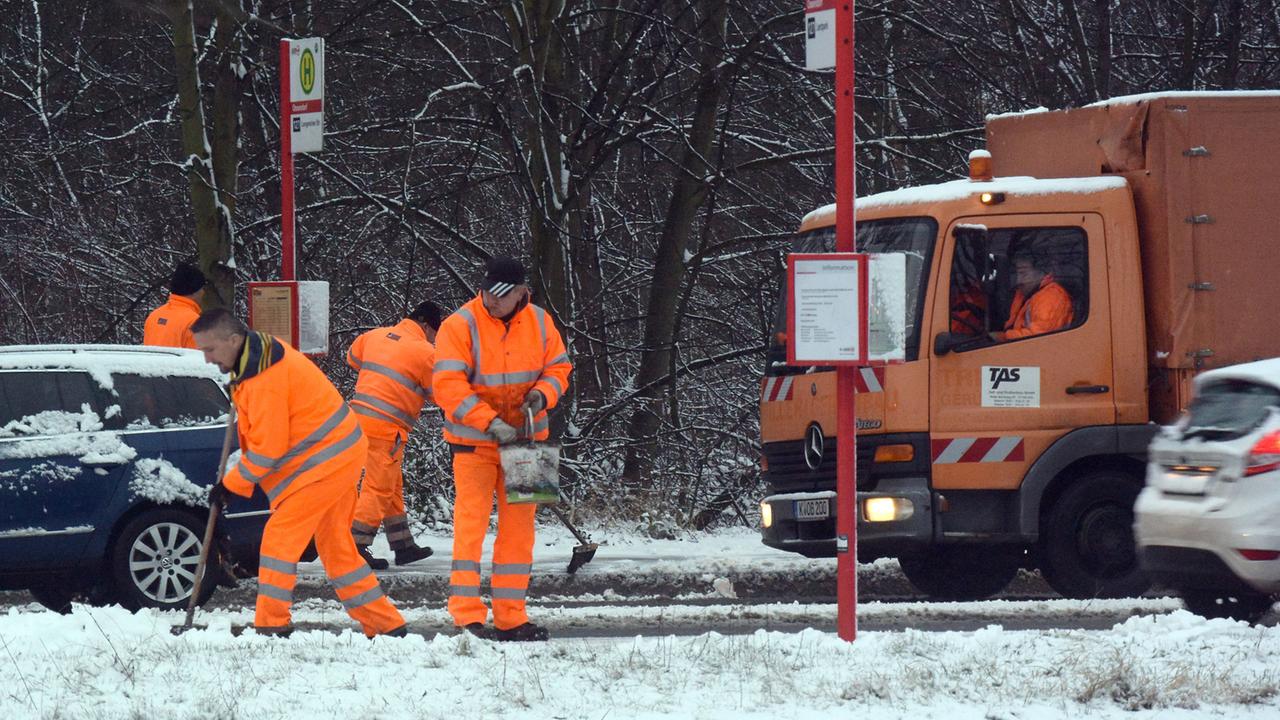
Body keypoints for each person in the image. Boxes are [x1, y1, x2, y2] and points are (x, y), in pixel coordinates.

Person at [192, 309, 406, 638]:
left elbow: (267, 450)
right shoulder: (256, 359)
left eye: (209, 350)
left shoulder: (265, 378)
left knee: (279, 542)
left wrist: (230, 484)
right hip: (336, 455)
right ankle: (387, 624)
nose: (207, 359)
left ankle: (271, 626)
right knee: (338, 550)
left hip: (323, 464)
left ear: (234, 340)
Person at [432, 256, 572, 642]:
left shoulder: (542, 322)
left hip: (530, 443)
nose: (492, 302)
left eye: (502, 296)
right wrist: (488, 421)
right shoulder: (459, 324)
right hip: (472, 443)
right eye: (489, 293)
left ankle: (512, 617)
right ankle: (467, 617)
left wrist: (542, 396)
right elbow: (447, 384)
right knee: (470, 528)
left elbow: (559, 369)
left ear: (522, 293)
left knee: (520, 534)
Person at [347, 301, 443, 571]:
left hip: (357, 420)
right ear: (426, 325)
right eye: (434, 332)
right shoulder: (426, 352)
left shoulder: (374, 335)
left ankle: (403, 545)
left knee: (392, 483)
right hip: (387, 427)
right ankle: (355, 545)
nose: (434, 338)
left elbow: (352, 358)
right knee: (379, 487)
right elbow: (440, 393)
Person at [989, 251, 1074, 342]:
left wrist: (1003, 337)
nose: (1018, 280)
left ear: (1042, 272)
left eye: (1023, 273)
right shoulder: (1025, 294)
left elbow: (1041, 337)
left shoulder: (1051, 298)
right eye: (1016, 274)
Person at [143, 262, 206, 349]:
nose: (204, 292)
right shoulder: (194, 322)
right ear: (194, 290)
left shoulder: (154, 316)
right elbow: (197, 360)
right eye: (202, 288)